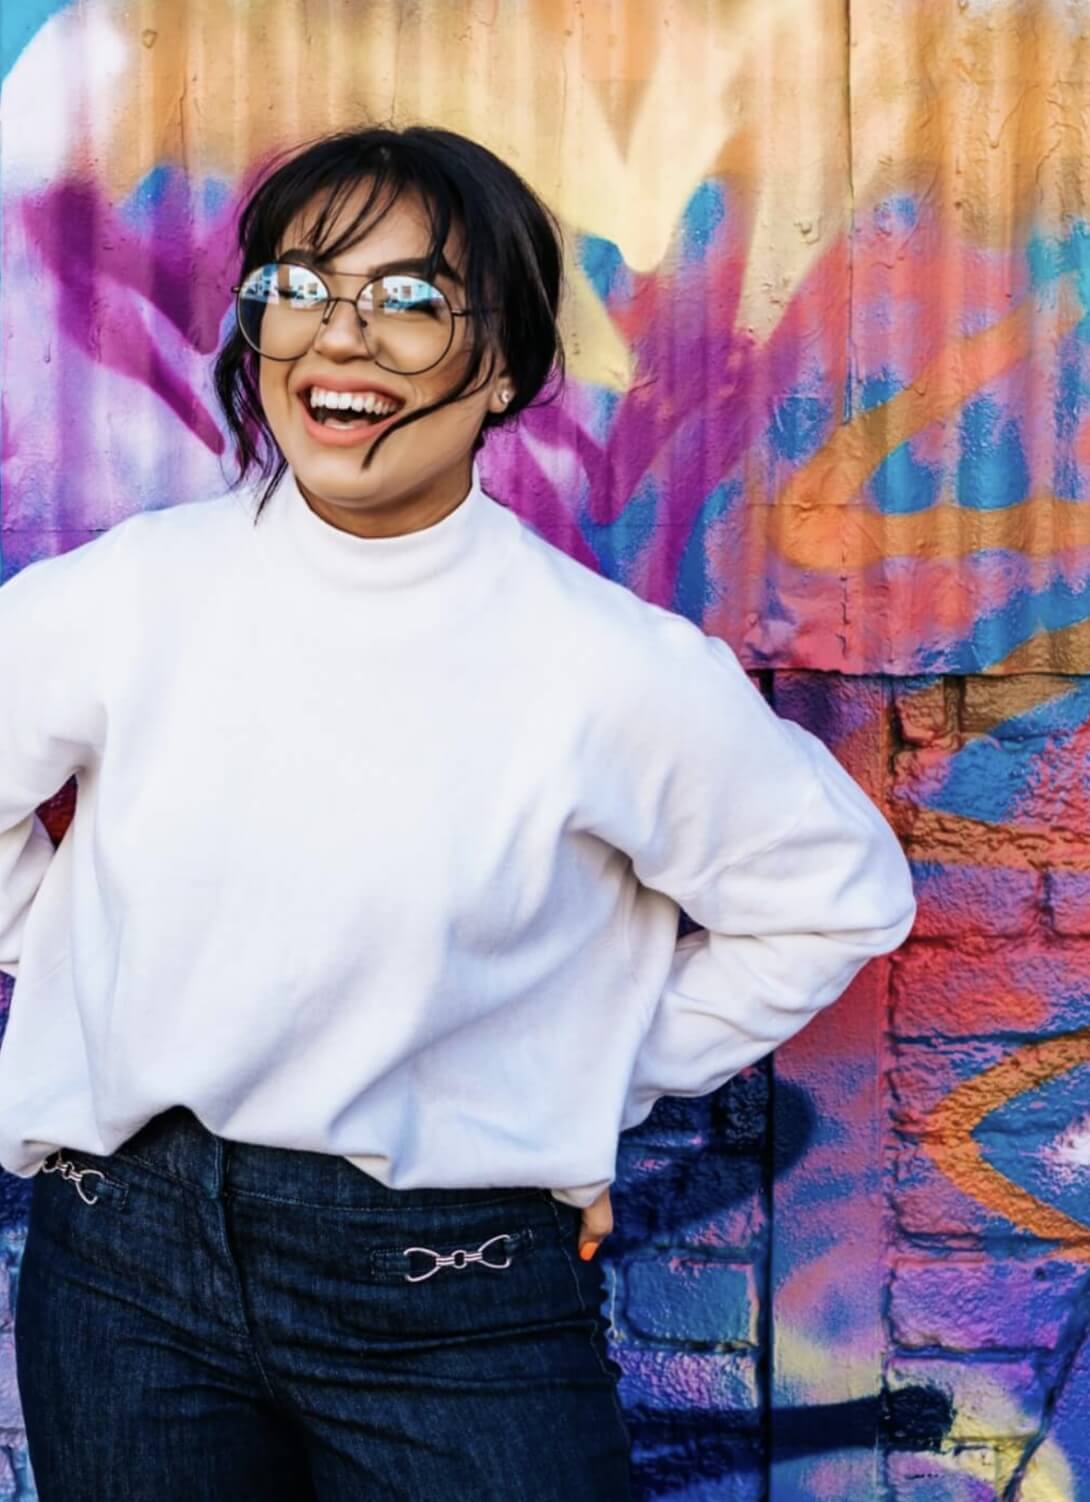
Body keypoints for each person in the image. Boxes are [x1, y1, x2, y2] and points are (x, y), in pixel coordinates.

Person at [0, 124, 917, 1500]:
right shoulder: (127, 597)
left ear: (502, 368)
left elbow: (834, 898)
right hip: (121, 1270)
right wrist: (88, 970)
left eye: (410, 300)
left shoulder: (606, 667)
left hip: (453, 1290)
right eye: (299, 288)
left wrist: (580, 1077)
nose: (339, 336)